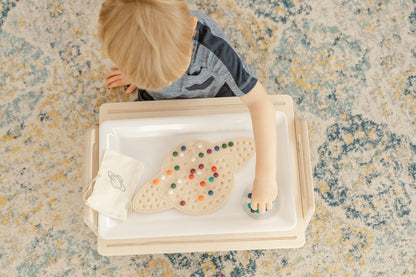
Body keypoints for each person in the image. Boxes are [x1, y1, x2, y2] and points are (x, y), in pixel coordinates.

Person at [99, 0, 277, 214]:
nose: (166, 83)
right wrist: (137, 71)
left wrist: (265, 177)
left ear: (192, 28)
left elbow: (260, 103)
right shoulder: (131, 52)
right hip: (158, 102)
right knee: (129, 149)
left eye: (169, 75)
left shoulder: (214, 49)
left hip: (214, 97)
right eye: (155, 80)